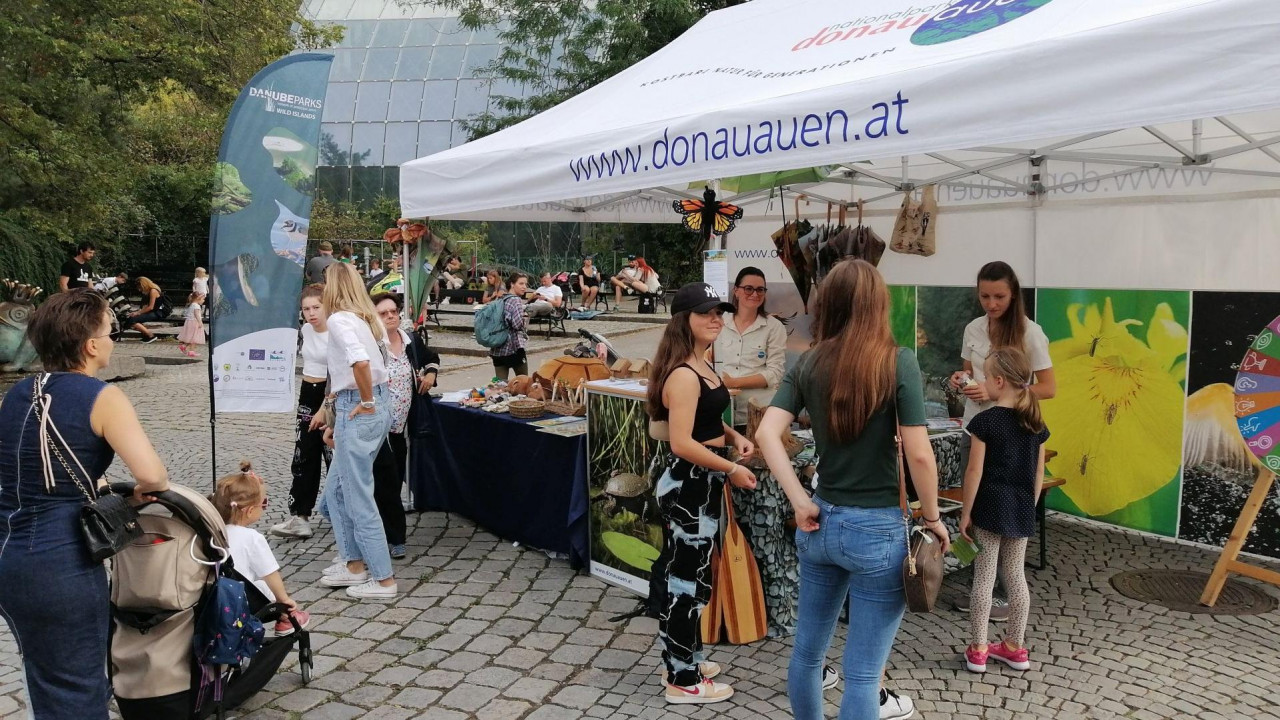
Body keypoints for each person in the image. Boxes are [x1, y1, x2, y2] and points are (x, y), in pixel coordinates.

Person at [756, 259, 950, 720]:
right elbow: (920, 455)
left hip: (821, 522)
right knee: (863, 674)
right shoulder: (898, 360)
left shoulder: (809, 362)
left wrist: (800, 500)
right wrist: (932, 518)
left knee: (807, 654)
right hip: (878, 530)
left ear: (830, 306)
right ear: (878, 306)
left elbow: (767, 434)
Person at [0, 289, 169, 718]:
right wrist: (128, 495)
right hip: (62, 562)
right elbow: (152, 475)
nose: (113, 340)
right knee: (79, 686)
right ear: (91, 345)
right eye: (111, 332)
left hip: (9, 553)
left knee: (45, 675)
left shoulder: (18, 394)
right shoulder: (102, 397)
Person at [646, 283, 757, 705]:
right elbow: (681, 442)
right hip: (690, 480)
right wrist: (731, 466)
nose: (717, 319)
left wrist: (732, 437)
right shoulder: (683, 373)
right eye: (706, 312)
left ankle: (684, 655)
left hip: (703, 479)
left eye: (720, 312)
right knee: (685, 581)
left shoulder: (701, 363)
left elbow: (705, 421)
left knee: (691, 575)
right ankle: (683, 679)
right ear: (683, 320)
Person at [948, 261, 1055, 618]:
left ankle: (994, 591)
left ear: (1014, 295)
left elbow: (1049, 388)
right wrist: (960, 380)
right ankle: (978, 579)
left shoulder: (1031, 333)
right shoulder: (973, 327)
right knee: (975, 505)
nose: (991, 304)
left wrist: (998, 396)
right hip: (974, 426)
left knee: (1001, 506)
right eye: (984, 296)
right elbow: (967, 369)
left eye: (999, 297)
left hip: (1013, 429)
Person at [311, 262, 398, 599]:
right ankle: (354, 563)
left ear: (332, 287)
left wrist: (364, 401)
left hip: (361, 407)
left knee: (357, 497)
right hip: (363, 407)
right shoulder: (366, 319)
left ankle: (383, 578)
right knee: (336, 491)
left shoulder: (340, 320)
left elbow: (360, 364)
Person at [960, 347, 1048, 675]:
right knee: (1016, 576)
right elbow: (1038, 473)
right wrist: (1031, 504)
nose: (982, 381)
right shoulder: (1035, 422)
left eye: (985, 376)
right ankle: (1015, 647)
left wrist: (965, 513)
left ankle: (979, 649)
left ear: (998, 381)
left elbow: (974, 472)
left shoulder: (986, 421)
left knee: (984, 576)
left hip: (989, 507)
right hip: (1022, 506)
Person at [372, 293, 439, 558]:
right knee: (384, 481)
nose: (390, 316)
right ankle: (394, 537)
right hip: (376, 425)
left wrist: (431, 373)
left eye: (393, 311)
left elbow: (431, 357)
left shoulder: (410, 340)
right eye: (383, 313)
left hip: (401, 426)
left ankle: (389, 532)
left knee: (394, 478)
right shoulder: (373, 345)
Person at [213, 461, 311, 636]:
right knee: (265, 586)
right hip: (239, 601)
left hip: (213, 596)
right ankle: (286, 620)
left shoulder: (210, 533)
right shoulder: (252, 538)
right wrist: (285, 601)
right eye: (263, 504)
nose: (265, 508)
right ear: (250, 511)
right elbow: (270, 573)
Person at [272, 285, 331, 540]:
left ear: (327, 305)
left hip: (330, 394)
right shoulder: (306, 329)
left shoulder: (337, 333)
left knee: (333, 454)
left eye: (316, 307)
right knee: (304, 454)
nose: (311, 313)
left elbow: (341, 375)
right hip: (308, 391)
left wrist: (325, 407)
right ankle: (300, 516)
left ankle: (344, 514)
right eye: (306, 309)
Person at [714, 266, 787, 428]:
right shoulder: (719, 322)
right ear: (736, 291)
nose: (755, 294)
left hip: (758, 416)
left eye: (760, 290)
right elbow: (704, 359)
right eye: (748, 289)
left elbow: (774, 373)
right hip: (721, 413)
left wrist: (733, 382)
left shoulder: (774, 328)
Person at [489, 273, 529, 380]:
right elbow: (516, 325)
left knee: (500, 386)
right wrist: (524, 319)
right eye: (521, 283)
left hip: (497, 349)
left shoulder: (500, 299)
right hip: (513, 348)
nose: (524, 287)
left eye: (525, 284)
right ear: (512, 284)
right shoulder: (516, 300)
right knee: (523, 383)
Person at [124, 276, 169, 343]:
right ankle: (146, 334)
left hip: (157, 312)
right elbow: (146, 306)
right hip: (154, 311)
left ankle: (150, 335)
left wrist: (138, 313)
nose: (139, 289)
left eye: (140, 287)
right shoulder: (151, 290)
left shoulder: (153, 291)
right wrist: (137, 312)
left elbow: (150, 307)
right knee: (130, 319)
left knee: (132, 320)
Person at [176, 292, 204, 357]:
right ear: (198, 298)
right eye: (203, 299)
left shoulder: (192, 304)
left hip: (189, 322)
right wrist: (200, 322)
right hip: (194, 322)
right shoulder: (197, 306)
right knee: (194, 338)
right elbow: (196, 315)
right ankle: (191, 351)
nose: (203, 301)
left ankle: (184, 346)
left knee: (191, 337)